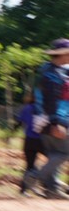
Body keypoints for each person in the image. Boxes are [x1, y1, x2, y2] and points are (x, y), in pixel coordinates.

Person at [24, 38, 69, 199]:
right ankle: (35, 176)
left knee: (54, 154)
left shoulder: (49, 70)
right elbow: (51, 101)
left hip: (43, 120)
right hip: (53, 119)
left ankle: (52, 189)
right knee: (64, 153)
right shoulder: (52, 76)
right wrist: (57, 122)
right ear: (62, 54)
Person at [17, 99, 43, 194]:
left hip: (28, 140)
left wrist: (10, 133)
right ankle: (49, 186)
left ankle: (23, 189)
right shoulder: (43, 107)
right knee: (54, 159)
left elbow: (19, 122)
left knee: (29, 165)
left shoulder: (26, 108)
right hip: (41, 140)